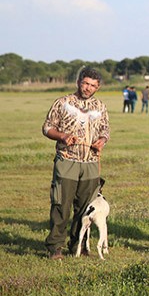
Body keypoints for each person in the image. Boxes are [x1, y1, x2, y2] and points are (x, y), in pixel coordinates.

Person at [42, 67, 110, 260]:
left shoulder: (100, 106)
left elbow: (105, 130)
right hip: (67, 160)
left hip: (90, 162)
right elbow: (47, 128)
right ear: (79, 81)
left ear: (98, 87)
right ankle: (55, 247)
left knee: (86, 207)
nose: (88, 88)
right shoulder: (62, 103)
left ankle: (78, 245)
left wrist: (102, 141)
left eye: (93, 86)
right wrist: (62, 136)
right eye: (85, 83)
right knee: (61, 204)